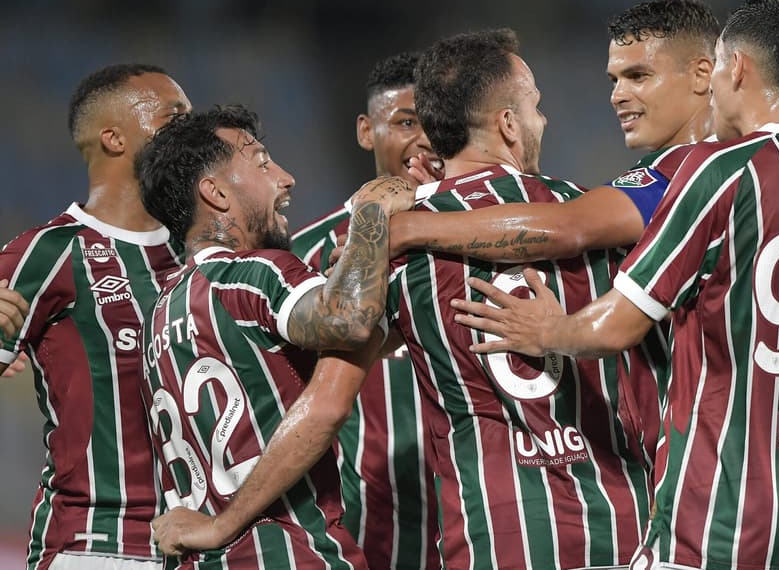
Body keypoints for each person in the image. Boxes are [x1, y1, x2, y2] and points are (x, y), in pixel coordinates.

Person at [453, 0, 779, 570]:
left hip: (718, 516)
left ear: (735, 68)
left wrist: (550, 329)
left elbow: (614, 326)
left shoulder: (721, 171)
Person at [384, 0, 718, 471]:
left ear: (704, 74)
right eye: (614, 80)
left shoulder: (685, 176)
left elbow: (567, 225)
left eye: (637, 76)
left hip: (715, 464)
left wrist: (413, 224)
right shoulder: (773, 166)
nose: (617, 95)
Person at [384, 28, 650, 570]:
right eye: (534, 106)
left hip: (493, 533)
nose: (542, 121)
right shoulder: (595, 213)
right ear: (507, 123)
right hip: (623, 523)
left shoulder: (390, 238)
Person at [135, 105, 415, 569]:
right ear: (216, 192)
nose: (286, 178)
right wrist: (371, 216)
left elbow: (354, 339)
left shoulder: (161, 315)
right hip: (284, 551)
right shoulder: (250, 274)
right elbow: (348, 321)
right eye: (262, 162)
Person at [0, 64, 192, 570]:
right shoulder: (49, 252)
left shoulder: (201, 254)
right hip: (96, 545)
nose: (191, 133)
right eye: (174, 116)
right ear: (113, 137)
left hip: (203, 548)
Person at [291, 51, 441, 570]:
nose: (425, 139)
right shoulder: (303, 258)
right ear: (364, 130)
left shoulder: (490, 232)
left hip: (489, 515)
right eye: (404, 122)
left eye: (436, 121)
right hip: (369, 530)